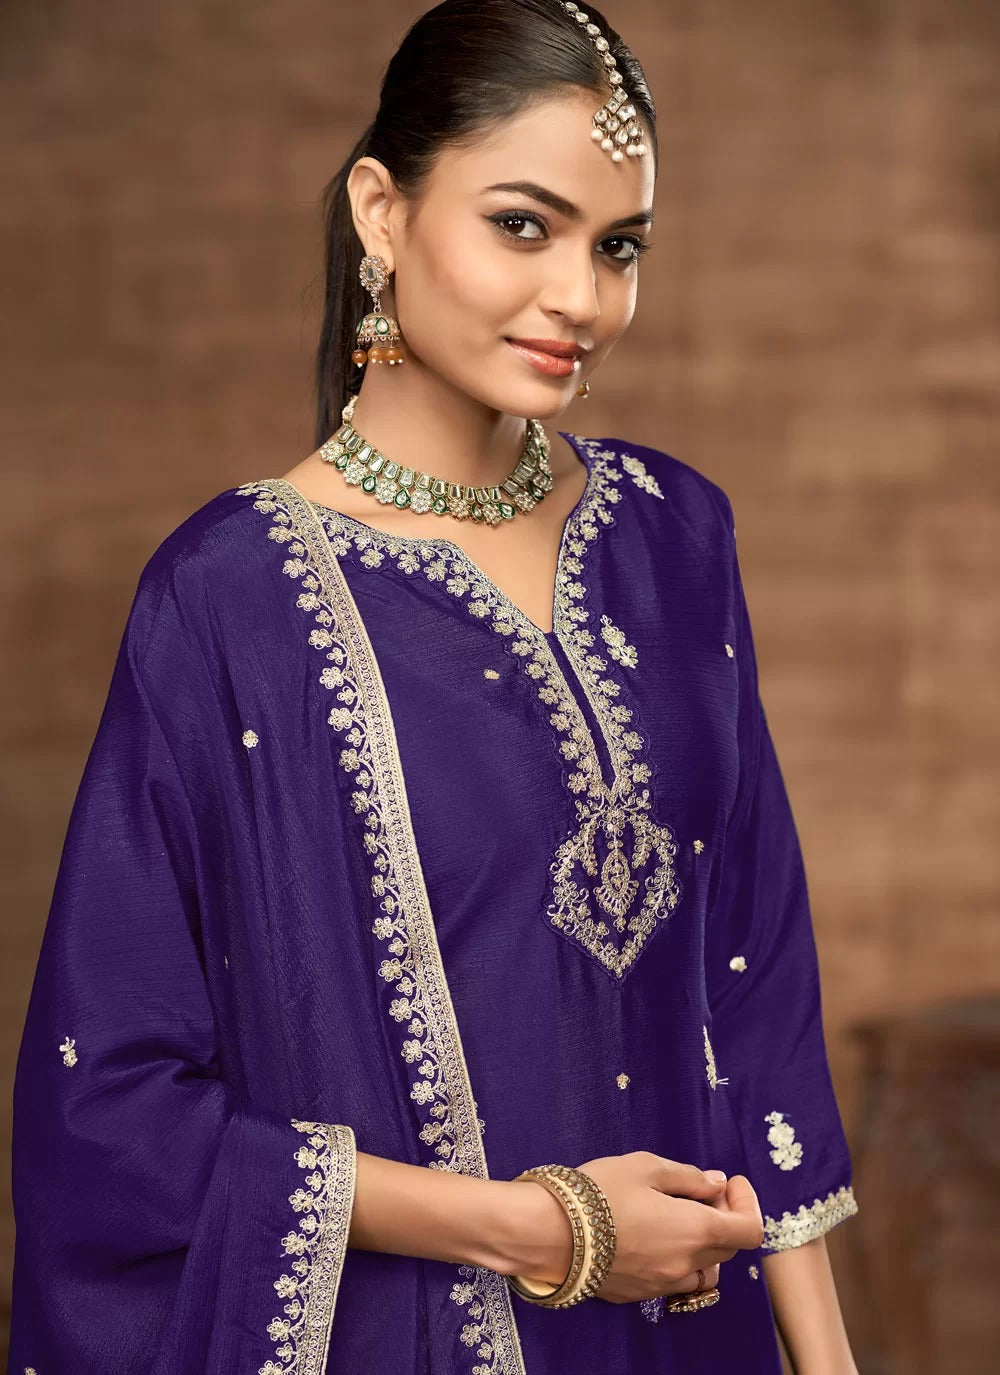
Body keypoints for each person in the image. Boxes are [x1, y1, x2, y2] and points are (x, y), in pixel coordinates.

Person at [9, 1, 860, 1371]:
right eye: (523, 225)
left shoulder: (676, 536)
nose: (582, 298)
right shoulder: (229, 602)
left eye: (617, 245)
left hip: (700, 1339)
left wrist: (829, 1362)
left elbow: (756, 990)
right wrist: (546, 1230)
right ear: (381, 213)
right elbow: (111, 1111)